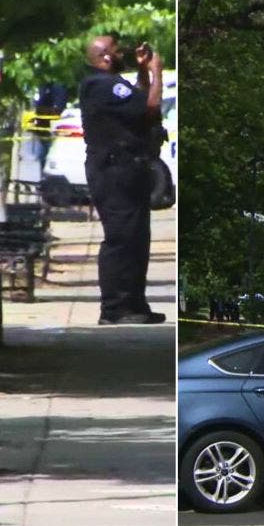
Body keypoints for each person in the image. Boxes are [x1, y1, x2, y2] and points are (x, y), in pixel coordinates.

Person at [80, 34, 165, 324]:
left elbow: (138, 101)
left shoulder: (112, 84)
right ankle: (114, 309)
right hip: (113, 171)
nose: (121, 52)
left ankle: (135, 306)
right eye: (116, 50)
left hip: (128, 170)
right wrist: (157, 71)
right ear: (105, 56)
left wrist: (142, 71)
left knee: (137, 239)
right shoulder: (100, 85)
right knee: (120, 238)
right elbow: (151, 109)